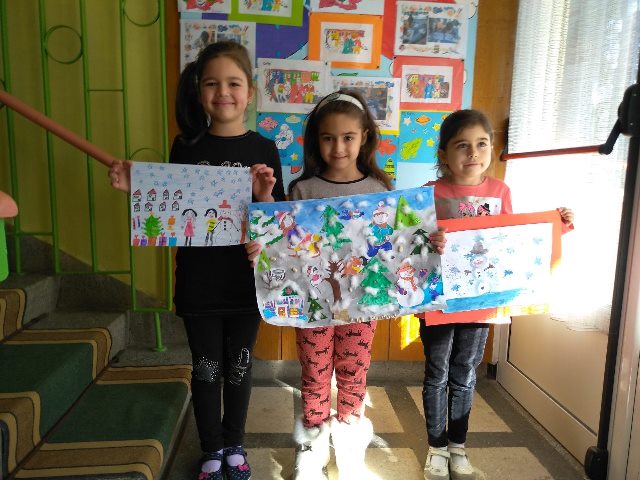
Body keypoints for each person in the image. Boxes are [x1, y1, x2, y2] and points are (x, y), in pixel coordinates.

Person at [108, 41, 285, 480]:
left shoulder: (264, 148)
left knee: (239, 367)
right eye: (212, 83)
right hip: (198, 282)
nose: (223, 92)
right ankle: (211, 448)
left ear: (250, 91)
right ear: (200, 91)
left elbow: (277, 224)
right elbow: (170, 208)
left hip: (246, 285)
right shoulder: (185, 146)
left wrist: (264, 196)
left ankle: (235, 445)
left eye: (233, 83)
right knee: (206, 369)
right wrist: (136, 188)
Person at [419, 109, 574, 480]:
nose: (473, 153)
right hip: (438, 301)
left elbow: (512, 241)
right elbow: (410, 244)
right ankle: (436, 447)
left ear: (492, 148)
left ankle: (458, 446)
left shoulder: (500, 192)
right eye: (462, 145)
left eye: (482, 144)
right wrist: (428, 240)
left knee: (465, 373)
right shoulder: (429, 193)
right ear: (444, 154)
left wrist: (556, 227)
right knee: (437, 373)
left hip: (480, 302)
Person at [246, 90, 393, 480]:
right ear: (316, 141)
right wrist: (263, 248)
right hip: (312, 305)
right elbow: (283, 246)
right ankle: (312, 444)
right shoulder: (303, 190)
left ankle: (349, 444)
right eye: (328, 137)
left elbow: (393, 246)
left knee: (353, 372)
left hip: (362, 306)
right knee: (314, 372)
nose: (338, 147)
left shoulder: (380, 191)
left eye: (348, 137)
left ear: (364, 138)